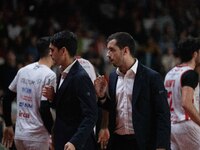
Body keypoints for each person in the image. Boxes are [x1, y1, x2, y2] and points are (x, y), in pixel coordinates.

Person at [94, 32, 170, 150]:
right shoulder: (113, 76)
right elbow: (115, 108)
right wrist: (102, 97)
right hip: (118, 142)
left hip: (143, 142)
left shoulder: (151, 77)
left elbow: (163, 115)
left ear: (125, 50)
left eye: (112, 50)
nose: (108, 54)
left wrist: (161, 146)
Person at [42, 30, 98, 150]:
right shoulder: (62, 72)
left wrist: (75, 142)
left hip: (77, 144)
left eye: (52, 50)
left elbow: (91, 115)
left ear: (63, 51)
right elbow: (69, 108)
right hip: (63, 139)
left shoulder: (81, 77)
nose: (50, 54)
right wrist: (53, 98)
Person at [2, 36, 56, 150]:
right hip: (38, 137)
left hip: (20, 136)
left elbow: (6, 98)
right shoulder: (50, 75)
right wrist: (53, 132)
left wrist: (8, 124)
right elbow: (44, 108)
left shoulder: (23, 70)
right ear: (51, 51)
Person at [164, 37, 200, 150]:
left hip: (172, 126)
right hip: (186, 123)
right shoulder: (190, 74)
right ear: (195, 54)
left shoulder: (170, 73)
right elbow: (186, 103)